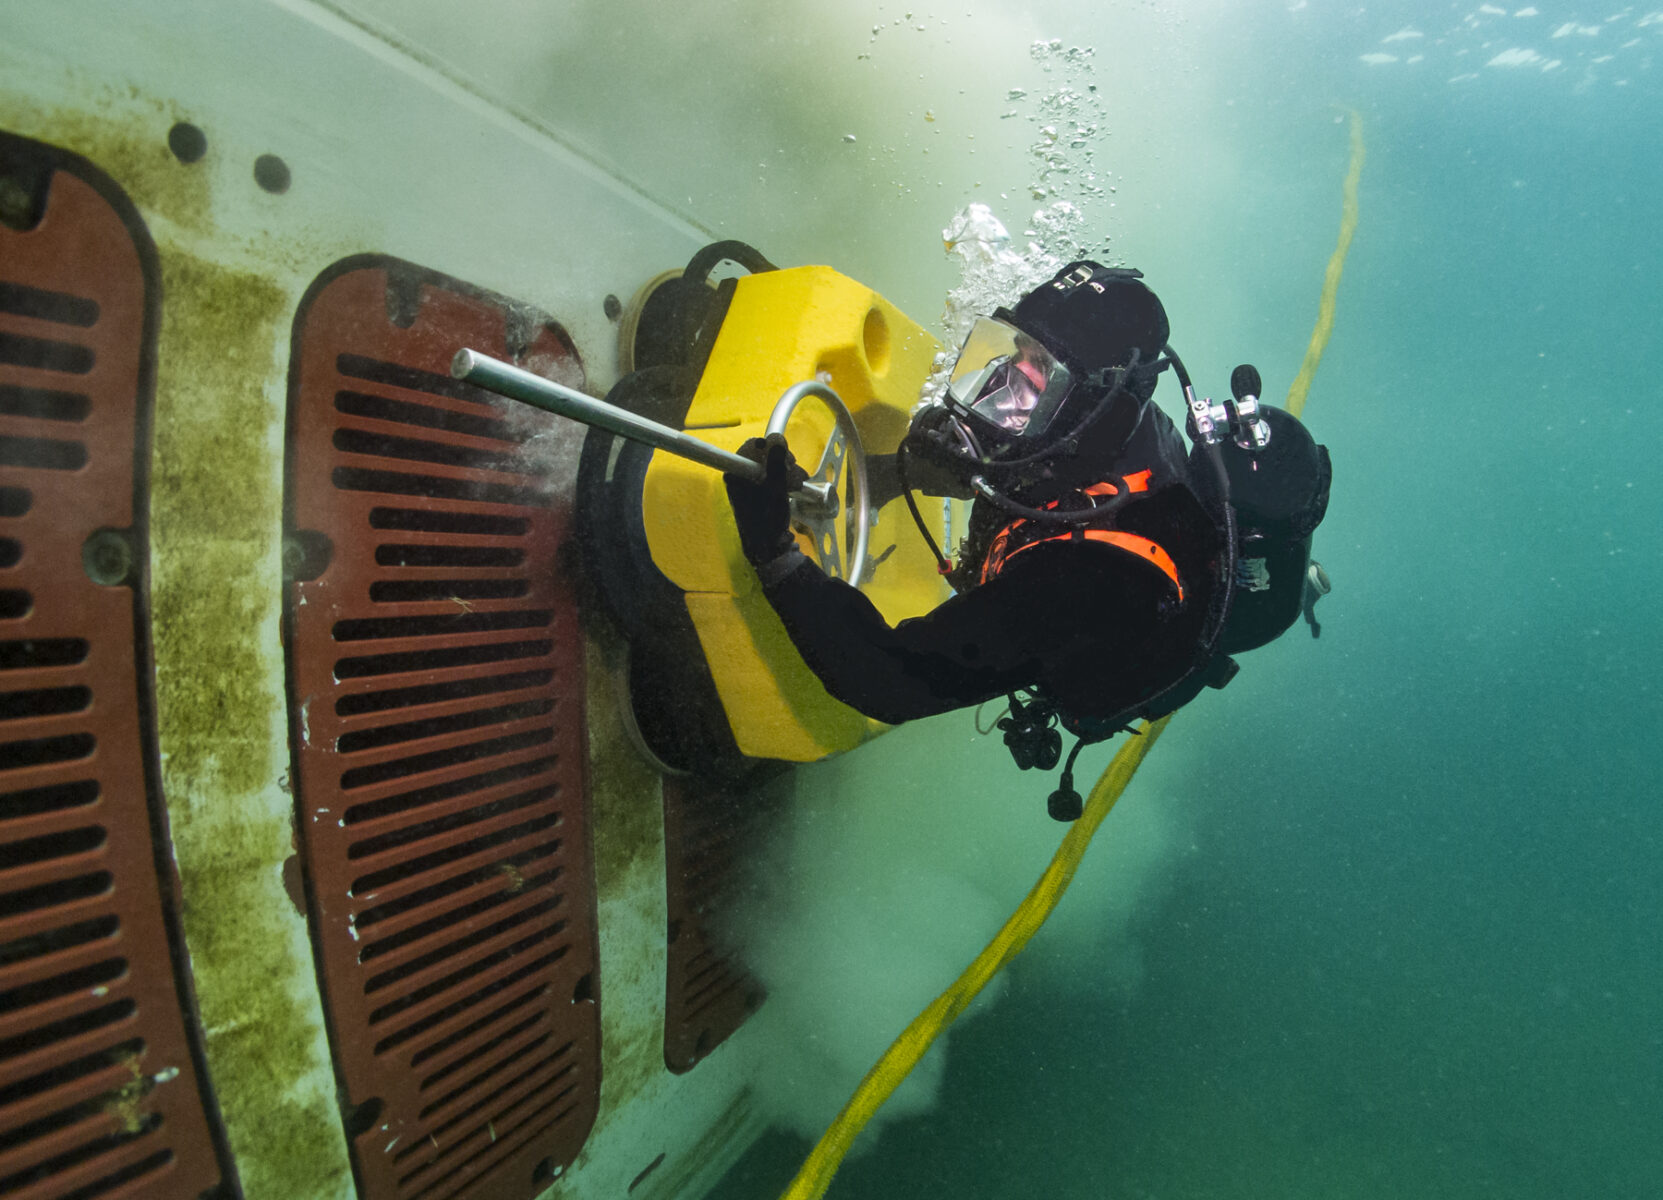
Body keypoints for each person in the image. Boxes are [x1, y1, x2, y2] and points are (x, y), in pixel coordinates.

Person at [724, 263, 1331, 817]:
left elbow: (886, 680)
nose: (1002, 386)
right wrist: (883, 479)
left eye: (1037, 374)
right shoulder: (1108, 424)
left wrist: (773, 550)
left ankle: (1298, 585)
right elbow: (1005, 469)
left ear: (1091, 403)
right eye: (1015, 351)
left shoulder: (1089, 582)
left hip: (1105, 636)